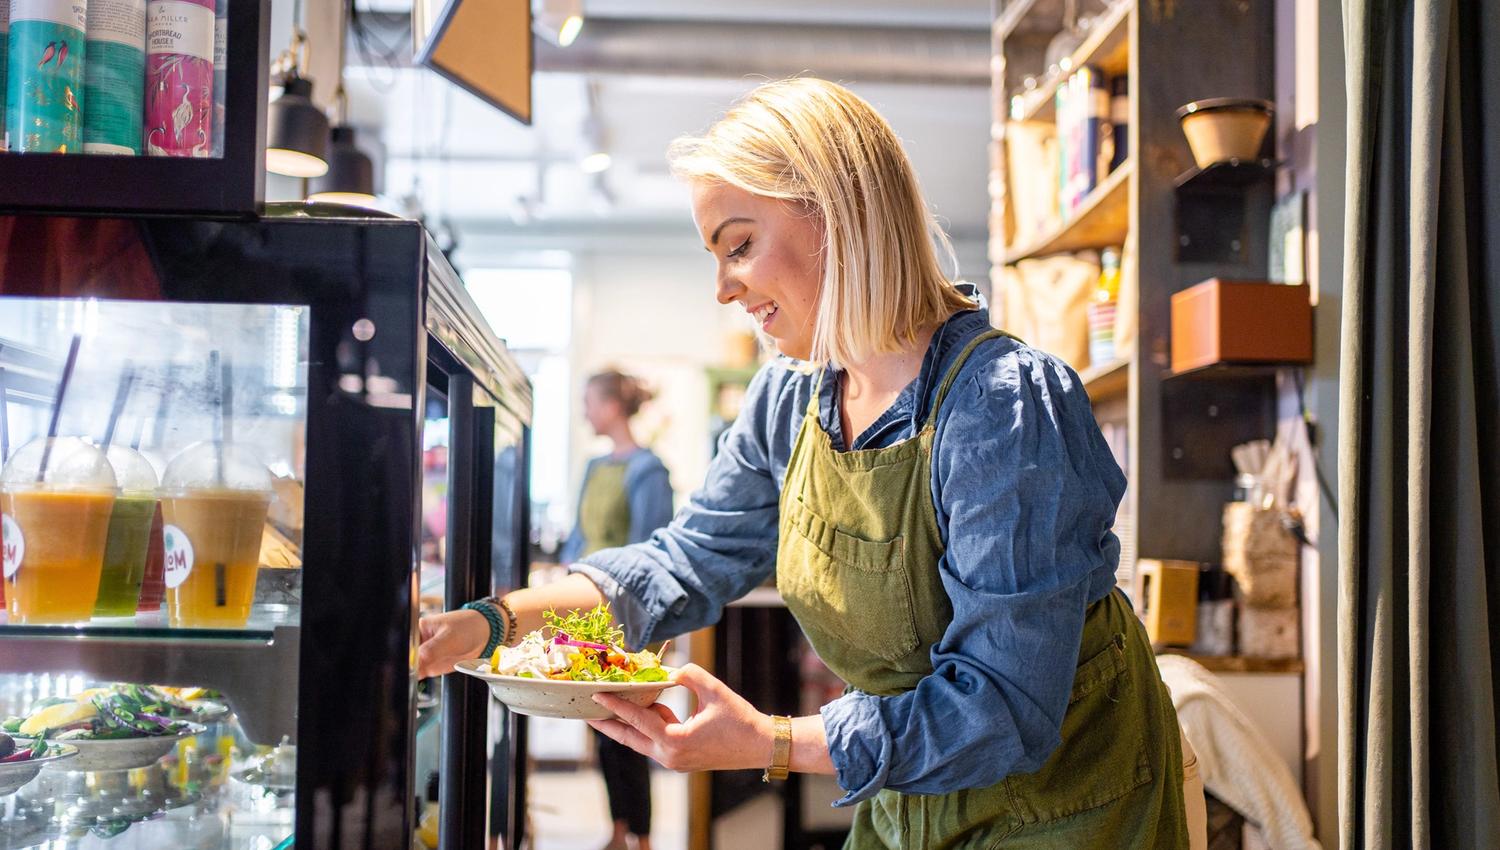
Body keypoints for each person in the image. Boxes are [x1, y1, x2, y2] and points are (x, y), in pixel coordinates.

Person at [419, 78, 1198, 848]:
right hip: (915, 792)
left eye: (740, 246)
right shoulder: (790, 400)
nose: (724, 289)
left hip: (1069, 802)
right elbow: (684, 562)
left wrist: (772, 741)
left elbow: (1003, 706)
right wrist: (488, 625)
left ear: (840, 216)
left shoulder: (1003, 406)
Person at [559, 370, 675, 850]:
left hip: (630, 619)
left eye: (589, 401)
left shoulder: (650, 471)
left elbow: (652, 551)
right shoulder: (593, 467)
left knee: (630, 728)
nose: (585, 412)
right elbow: (579, 539)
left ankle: (642, 837)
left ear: (611, 407)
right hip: (589, 618)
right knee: (601, 726)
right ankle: (618, 828)